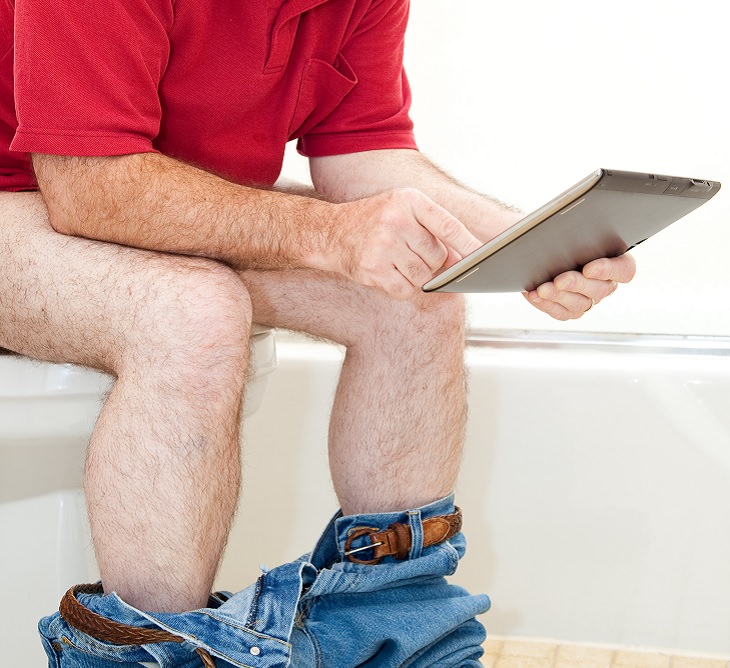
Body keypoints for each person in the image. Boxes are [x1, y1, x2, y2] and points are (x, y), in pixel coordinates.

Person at [0, 0, 635, 666]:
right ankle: (153, 651)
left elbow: (363, 149)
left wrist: (525, 241)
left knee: (415, 293)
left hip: (162, 208)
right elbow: (89, 189)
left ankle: (398, 633)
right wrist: (330, 235)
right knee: (190, 314)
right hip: (29, 199)